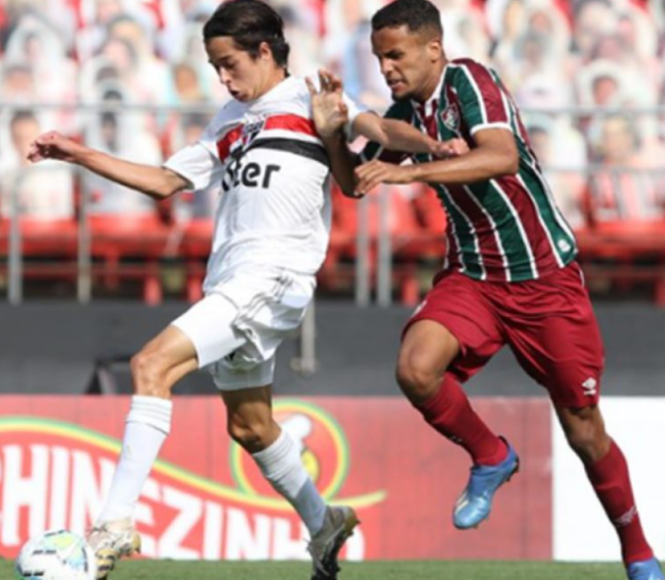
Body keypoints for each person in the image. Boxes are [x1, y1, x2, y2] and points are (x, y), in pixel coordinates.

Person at [26, 1, 441, 579]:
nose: (222, 77)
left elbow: (376, 128)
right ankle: (323, 521)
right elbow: (167, 182)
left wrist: (433, 145)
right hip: (232, 278)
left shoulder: (310, 96)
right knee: (249, 425)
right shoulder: (231, 119)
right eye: (214, 65)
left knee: (150, 366)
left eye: (228, 63)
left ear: (264, 51)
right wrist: (78, 153)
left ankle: (113, 526)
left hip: (270, 276)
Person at [313, 2, 665, 579]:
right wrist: (333, 134)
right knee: (416, 368)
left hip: (544, 279)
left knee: (583, 428)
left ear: (433, 48)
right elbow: (355, 182)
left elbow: (500, 157)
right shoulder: (405, 114)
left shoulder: (470, 81)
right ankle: (491, 454)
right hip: (473, 277)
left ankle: (637, 552)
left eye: (396, 54)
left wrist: (412, 171)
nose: (387, 68)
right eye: (380, 58)